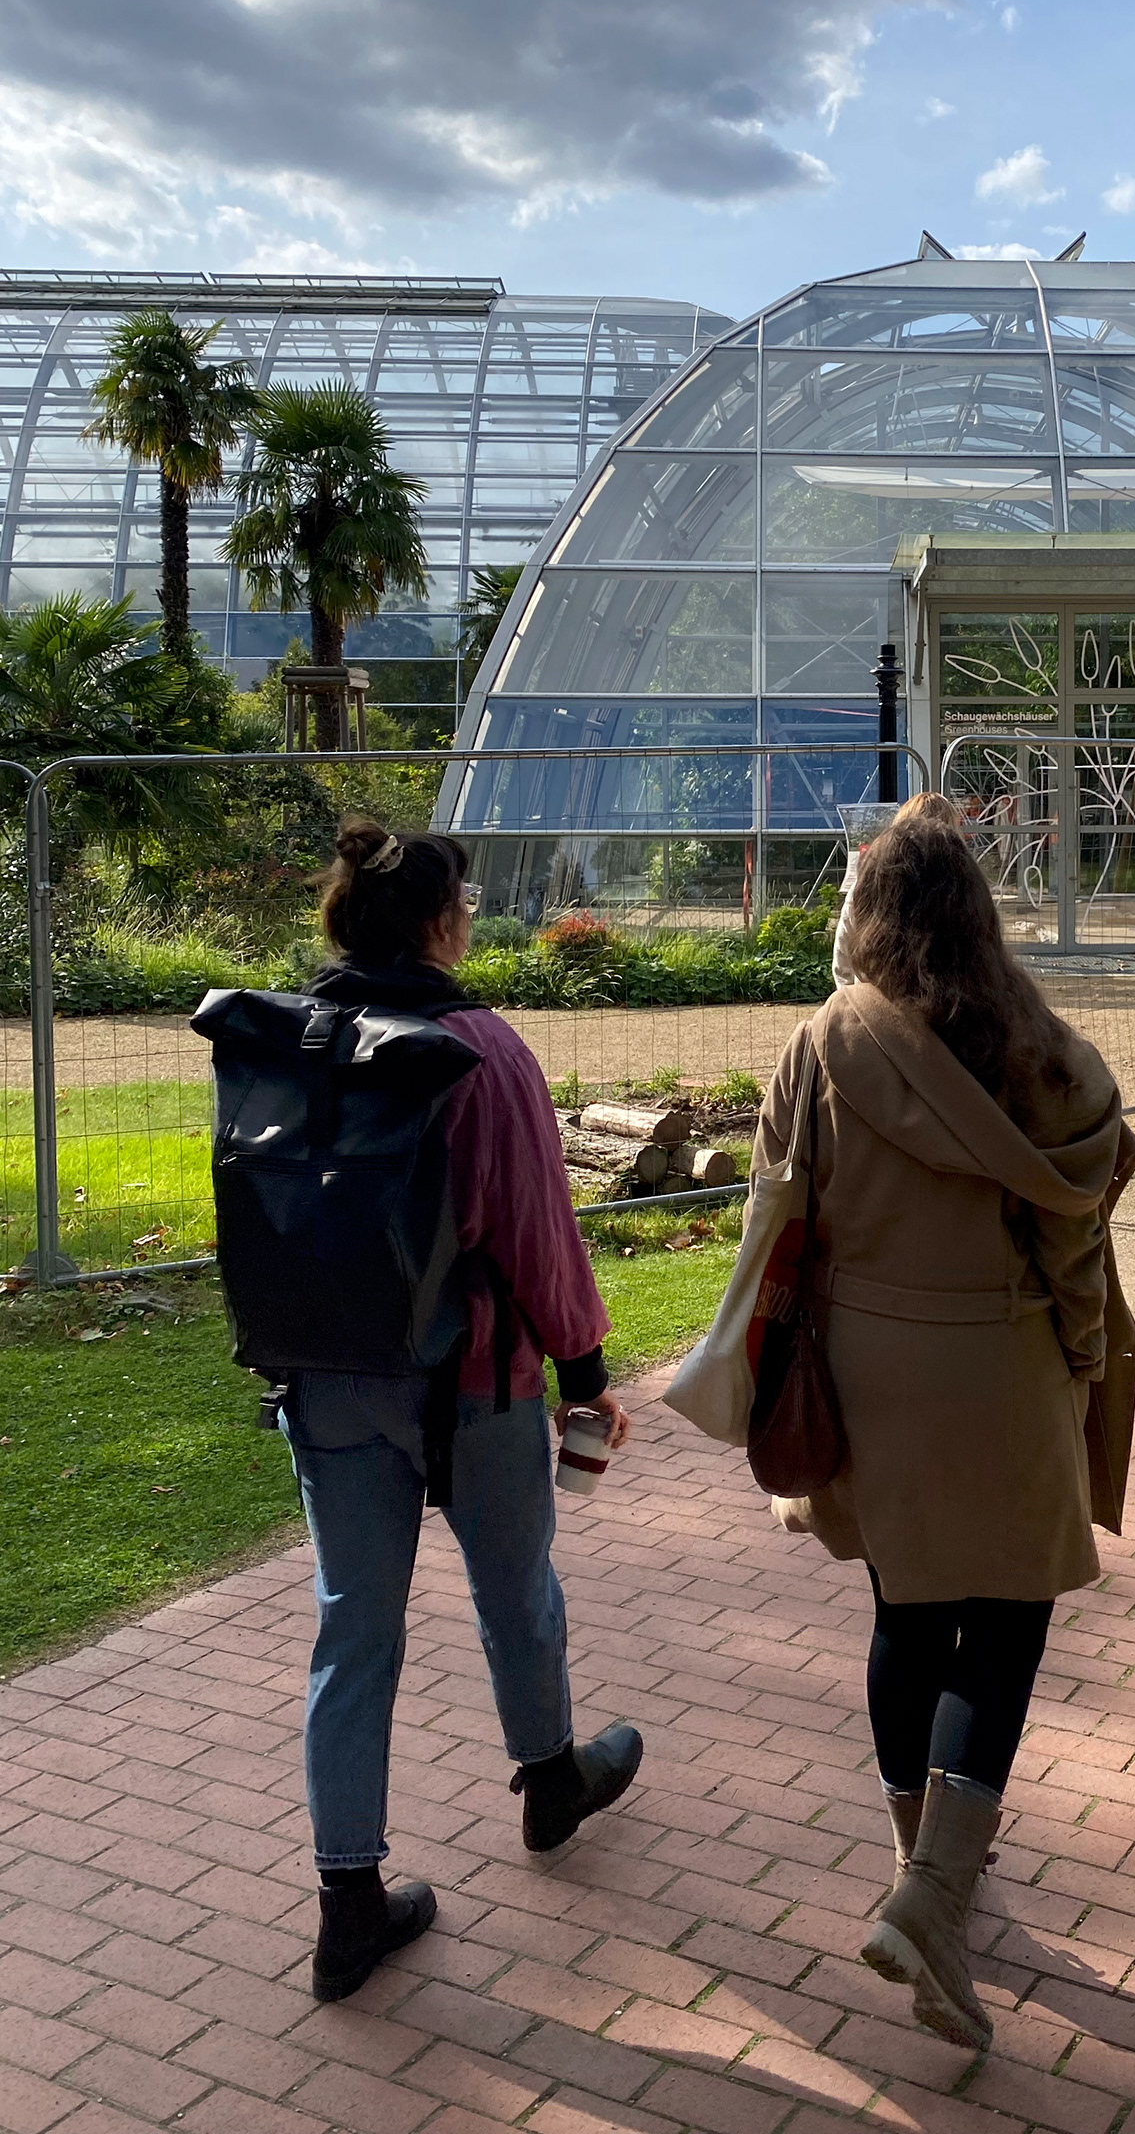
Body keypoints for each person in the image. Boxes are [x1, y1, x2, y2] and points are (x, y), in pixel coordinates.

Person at [754, 817, 1125, 2053]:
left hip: (865, 1370)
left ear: (864, 909)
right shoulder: (1040, 1047)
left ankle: (925, 1868)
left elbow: (776, 1219)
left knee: (904, 1613)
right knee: (1008, 1618)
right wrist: (1078, 1349)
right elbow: (1078, 1227)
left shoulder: (820, 1043)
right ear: (980, 910)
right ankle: (936, 1894)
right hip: (1003, 1360)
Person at [285, 823, 642, 2002]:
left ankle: (349, 1901)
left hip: (331, 1378)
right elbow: (538, 1233)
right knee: (515, 1589)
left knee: (354, 1630)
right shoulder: (482, 1052)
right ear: (439, 923)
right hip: (477, 1379)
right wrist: (586, 1377)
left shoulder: (296, 1036)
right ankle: (549, 1780)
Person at [833, 790, 968, 989]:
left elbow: (842, 956)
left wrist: (854, 1004)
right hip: (945, 1006)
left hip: (875, 1000)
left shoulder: (868, 884)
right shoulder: (964, 887)